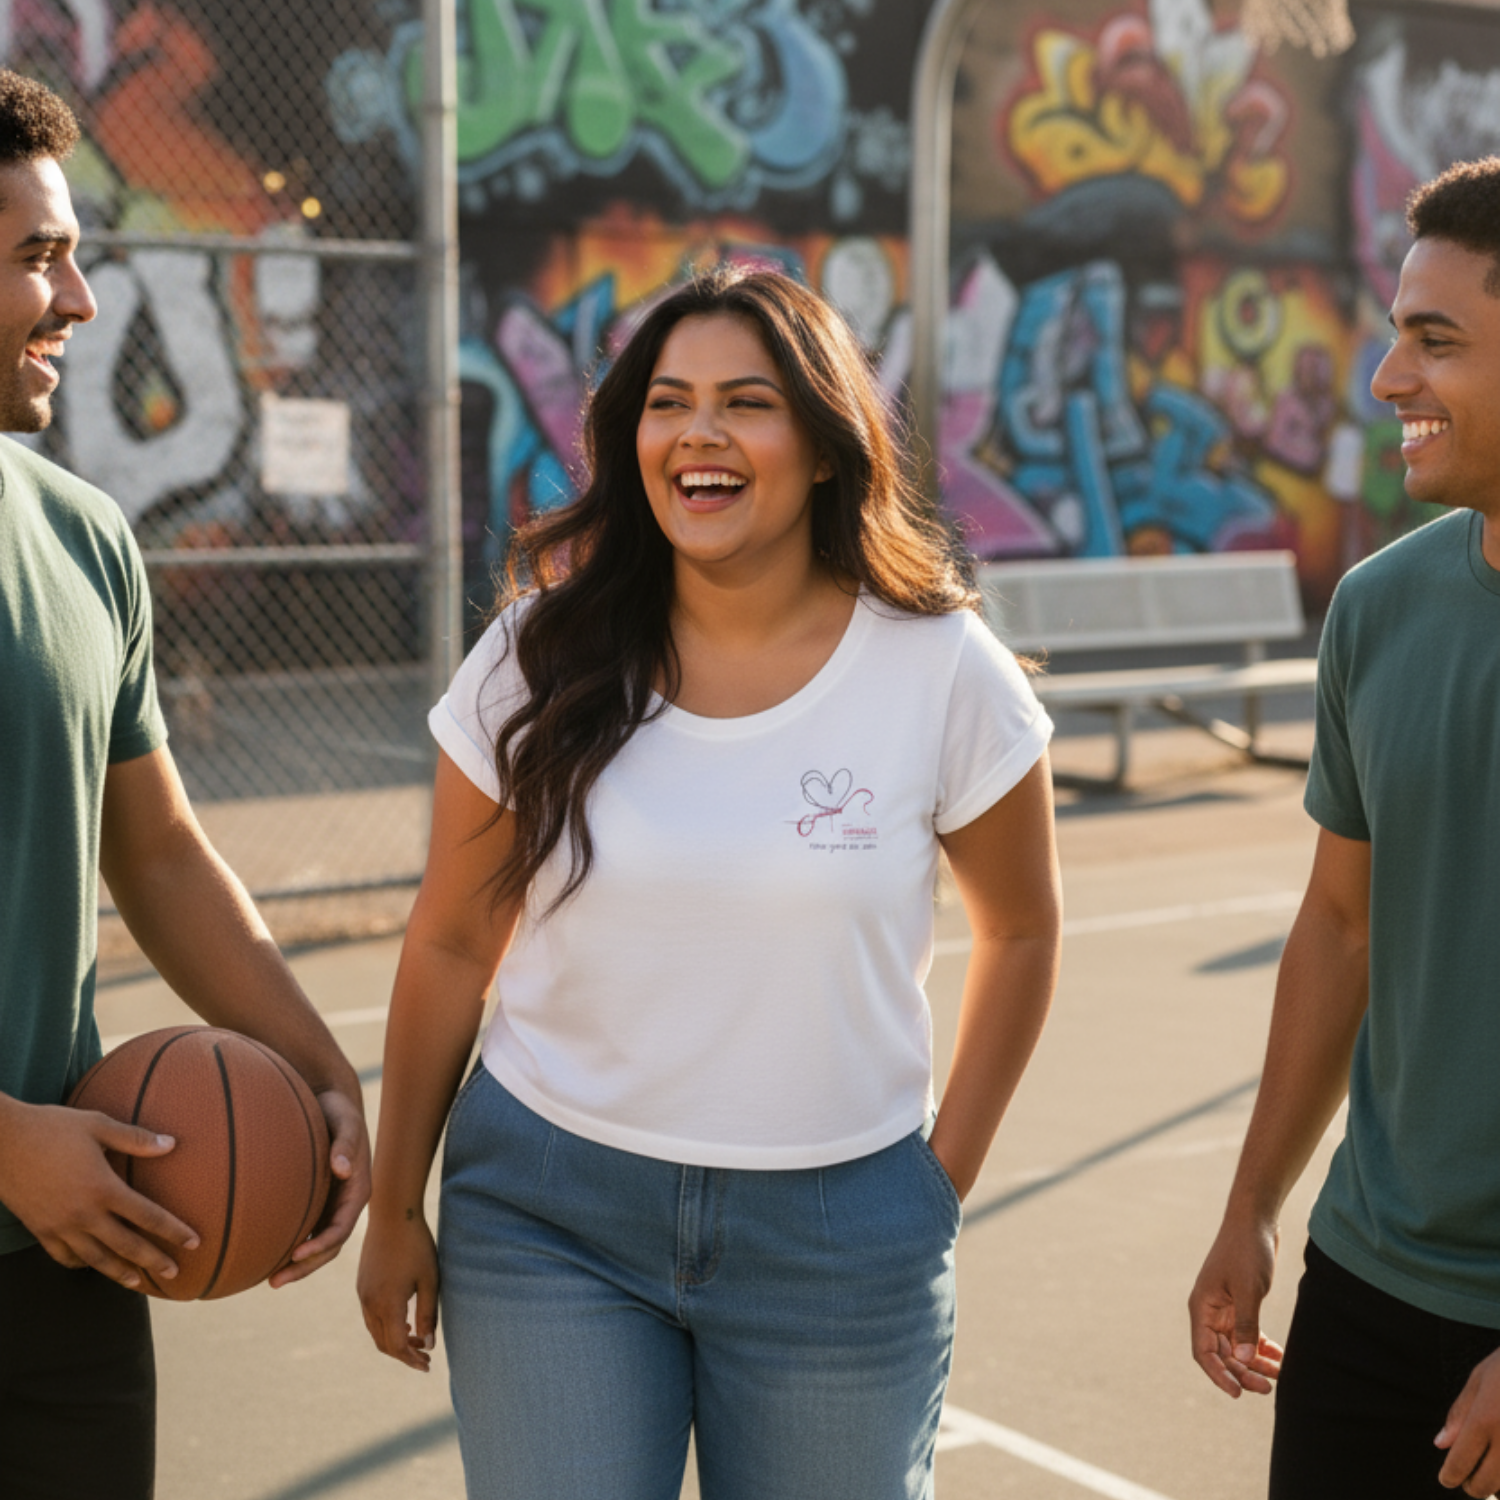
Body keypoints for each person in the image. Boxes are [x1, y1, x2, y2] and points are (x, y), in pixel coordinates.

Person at [357, 266, 1062, 1498]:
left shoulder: (944, 669)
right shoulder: (535, 654)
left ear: (829, 446)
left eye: (749, 402)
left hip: (843, 1238)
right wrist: (396, 1203)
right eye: (668, 402)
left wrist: (931, 1182)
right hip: (547, 1214)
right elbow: (452, 943)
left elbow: (1025, 932)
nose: (701, 433)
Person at [0, 70, 371, 1500]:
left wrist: (323, 1077)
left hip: (69, 1245)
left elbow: (155, 855)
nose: (82, 302)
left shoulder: (86, 538)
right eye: (40, 256)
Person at [1188, 155, 1500, 1499]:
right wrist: (1253, 1203)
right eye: (1395, 334)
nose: (1388, 381)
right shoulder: (1378, 608)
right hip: (1367, 1287)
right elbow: (1339, 924)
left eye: (1438, 342)